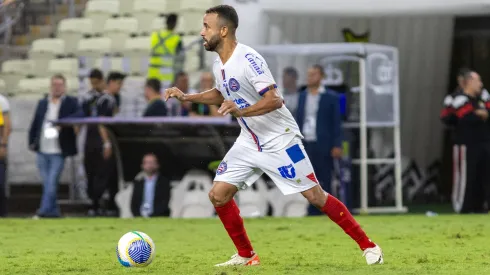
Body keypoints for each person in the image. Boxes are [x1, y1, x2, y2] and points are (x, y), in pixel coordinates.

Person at [164, 4, 383, 266]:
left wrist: (242, 111)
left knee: (315, 197)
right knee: (217, 195)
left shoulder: (249, 59)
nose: (201, 32)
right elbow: (221, 94)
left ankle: (369, 246)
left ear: (223, 31)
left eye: (206, 26)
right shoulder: (218, 63)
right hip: (249, 141)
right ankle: (246, 255)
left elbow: (275, 100)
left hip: (280, 139)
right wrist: (187, 97)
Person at [28, 74, 81, 218]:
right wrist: (32, 141)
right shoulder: (43, 102)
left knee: (51, 182)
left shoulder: (71, 102)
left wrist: (62, 123)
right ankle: (54, 212)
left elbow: (80, 114)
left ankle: (43, 211)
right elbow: (36, 122)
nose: (57, 87)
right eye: (54, 85)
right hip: (43, 148)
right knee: (47, 184)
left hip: (58, 149)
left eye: (60, 85)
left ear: (64, 87)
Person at [295, 64, 343, 215]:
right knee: (308, 176)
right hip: (305, 141)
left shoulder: (331, 97)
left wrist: (337, 144)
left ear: (321, 76)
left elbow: (336, 122)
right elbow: (299, 118)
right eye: (309, 74)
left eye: (314, 74)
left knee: (325, 176)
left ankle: (328, 209)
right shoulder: (302, 96)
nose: (310, 77)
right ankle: (311, 209)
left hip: (324, 142)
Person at [448, 70, 490, 213]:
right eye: (478, 80)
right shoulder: (458, 98)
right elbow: (465, 117)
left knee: (482, 175)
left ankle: (479, 206)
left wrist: (477, 112)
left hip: (483, 142)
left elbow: (486, 112)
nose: (481, 84)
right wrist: (479, 113)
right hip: (465, 144)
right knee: (465, 177)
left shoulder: (483, 96)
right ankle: (461, 206)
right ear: (470, 82)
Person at [86, 71, 125, 216]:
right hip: (100, 141)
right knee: (102, 173)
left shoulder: (110, 98)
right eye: (119, 84)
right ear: (111, 83)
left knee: (106, 174)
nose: (120, 87)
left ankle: (101, 205)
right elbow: (102, 122)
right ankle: (98, 206)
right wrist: (107, 143)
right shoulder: (107, 99)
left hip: (99, 140)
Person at [147, 13, 183, 87]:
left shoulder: (155, 35)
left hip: (152, 74)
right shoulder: (177, 39)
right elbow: (179, 61)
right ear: (175, 24)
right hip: (166, 76)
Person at [0, 93, 11, 217]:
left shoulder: (1, 101)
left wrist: (3, 144)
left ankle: (2, 213)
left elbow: (6, 125)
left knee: (0, 182)